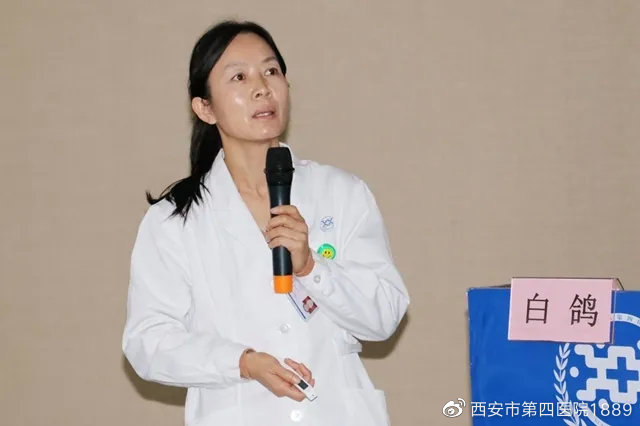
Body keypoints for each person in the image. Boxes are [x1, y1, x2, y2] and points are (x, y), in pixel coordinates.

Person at [121, 20, 410, 426]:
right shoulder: (173, 220)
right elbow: (147, 343)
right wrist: (241, 362)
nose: (262, 88)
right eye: (239, 77)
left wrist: (311, 267)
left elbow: (384, 317)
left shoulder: (341, 192)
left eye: (271, 71)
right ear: (205, 108)